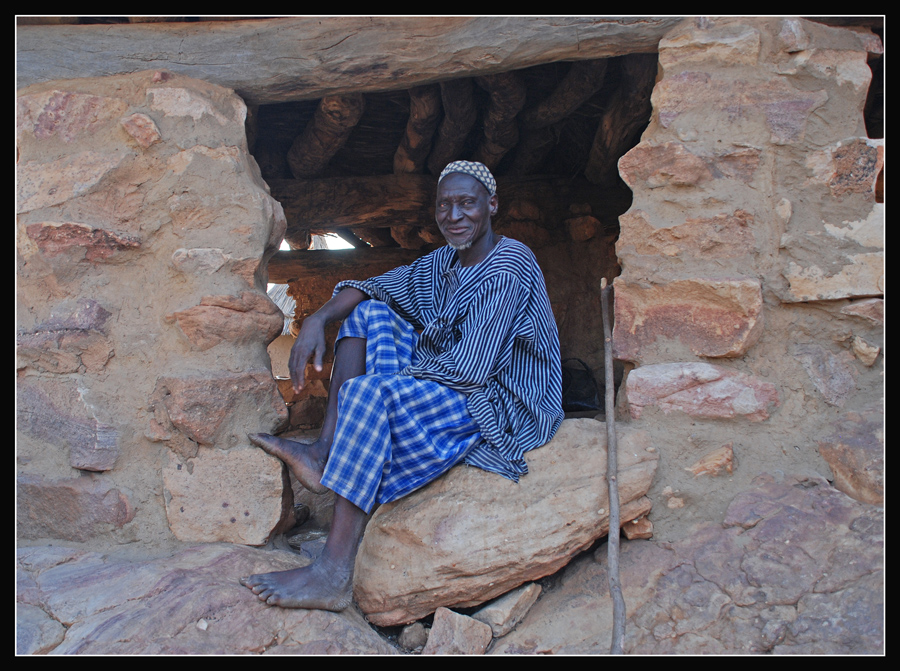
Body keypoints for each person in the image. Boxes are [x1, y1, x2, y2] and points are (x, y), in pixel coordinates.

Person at [240, 160, 564, 611]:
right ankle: (324, 450)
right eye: (444, 205)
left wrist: (379, 389)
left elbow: (469, 370)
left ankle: (332, 572)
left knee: (370, 394)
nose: (454, 215)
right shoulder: (445, 262)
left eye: (467, 203)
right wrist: (317, 318)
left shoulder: (509, 265)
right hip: (450, 374)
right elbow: (374, 287)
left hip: (495, 396)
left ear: (491, 205)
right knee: (365, 313)